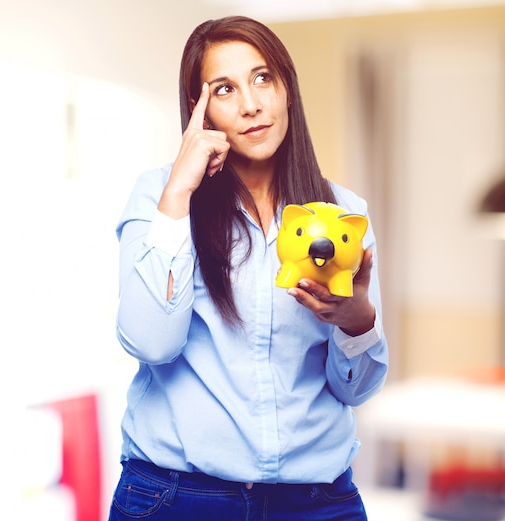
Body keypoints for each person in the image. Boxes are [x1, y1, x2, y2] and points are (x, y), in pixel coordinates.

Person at [109, 15, 388, 521]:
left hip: (317, 503)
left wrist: (357, 318)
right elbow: (150, 342)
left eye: (263, 78)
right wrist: (178, 193)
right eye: (224, 89)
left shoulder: (344, 213)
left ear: (286, 89)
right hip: (178, 501)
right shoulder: (159, 197)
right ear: (201, 112)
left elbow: (357, 389)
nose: (251, 103)